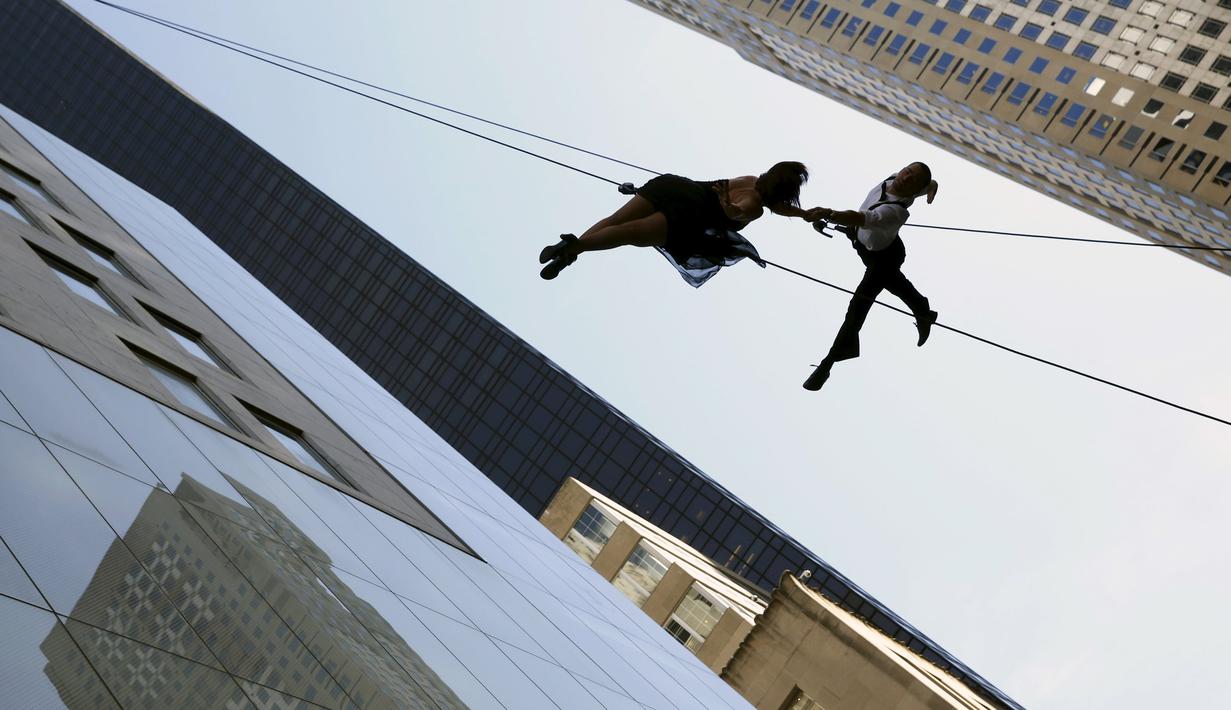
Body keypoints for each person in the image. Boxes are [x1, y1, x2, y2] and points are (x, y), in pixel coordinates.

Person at [539, 162, 812, 287]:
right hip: (687, 215)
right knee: (625, 234)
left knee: (615, 221)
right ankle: (576, 246)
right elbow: (740, 211)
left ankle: (569, 251)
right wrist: (727, 207)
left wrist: (805, 214)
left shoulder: (750, 179)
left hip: (673, 186)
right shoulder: (755, 207)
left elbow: (776, 207)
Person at [802, 161, 939, 391]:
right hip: (866, 247)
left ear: (915, 190)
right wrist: (933, 189)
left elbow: (860, 218)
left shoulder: (896, 211)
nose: (905, 177)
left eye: (912, 179)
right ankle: (923, 310)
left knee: (858, 306)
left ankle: (828, 363)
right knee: (896, 284)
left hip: (886, 256)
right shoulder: (893, 178)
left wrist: (830, 214)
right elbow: (930, 183)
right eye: (907, 171)